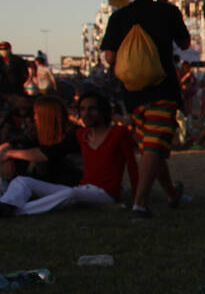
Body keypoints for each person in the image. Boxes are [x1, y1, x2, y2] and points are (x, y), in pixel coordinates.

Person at [99, 0, 188, 218]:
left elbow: (109, 57)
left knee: (151, 145)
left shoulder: (119, 17)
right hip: (162, 89)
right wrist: (165, 6)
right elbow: (184, 43)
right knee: (153, 146)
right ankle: (140, 202)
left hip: (132, 92)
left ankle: (171, 194)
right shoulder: (167, 12)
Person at [0, 92, 137, 216]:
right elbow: (29, 143)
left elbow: (132, 166)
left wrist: (138, 201)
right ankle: (6, 204)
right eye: (82, 109)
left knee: (70, 194)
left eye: (92, 109)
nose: (86, 113)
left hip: (105, 193)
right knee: (23, 181)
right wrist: (9, 154)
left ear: (103, 111)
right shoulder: (81, 134)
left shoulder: (118, 133)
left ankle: (16, 211)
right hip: (82, 188)